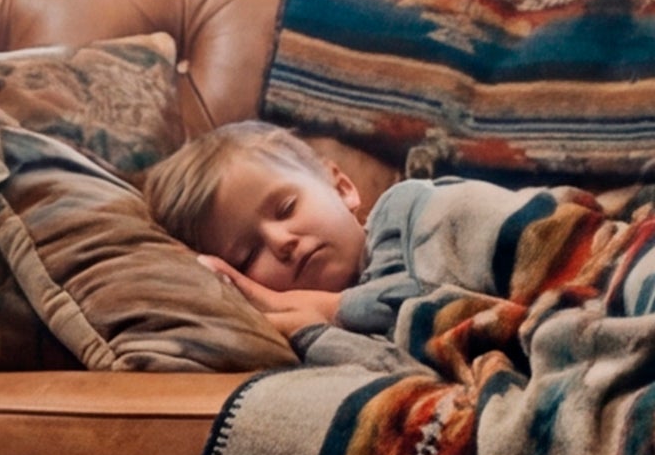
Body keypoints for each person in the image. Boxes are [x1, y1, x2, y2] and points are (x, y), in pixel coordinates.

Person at [141, 119, 556, 365]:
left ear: (341, 187)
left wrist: (339, 310)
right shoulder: (308, 344)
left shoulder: (411, 210)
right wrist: (314, 328)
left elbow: (539, 249)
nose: (282, 241)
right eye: (247, 255)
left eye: (285, 208)